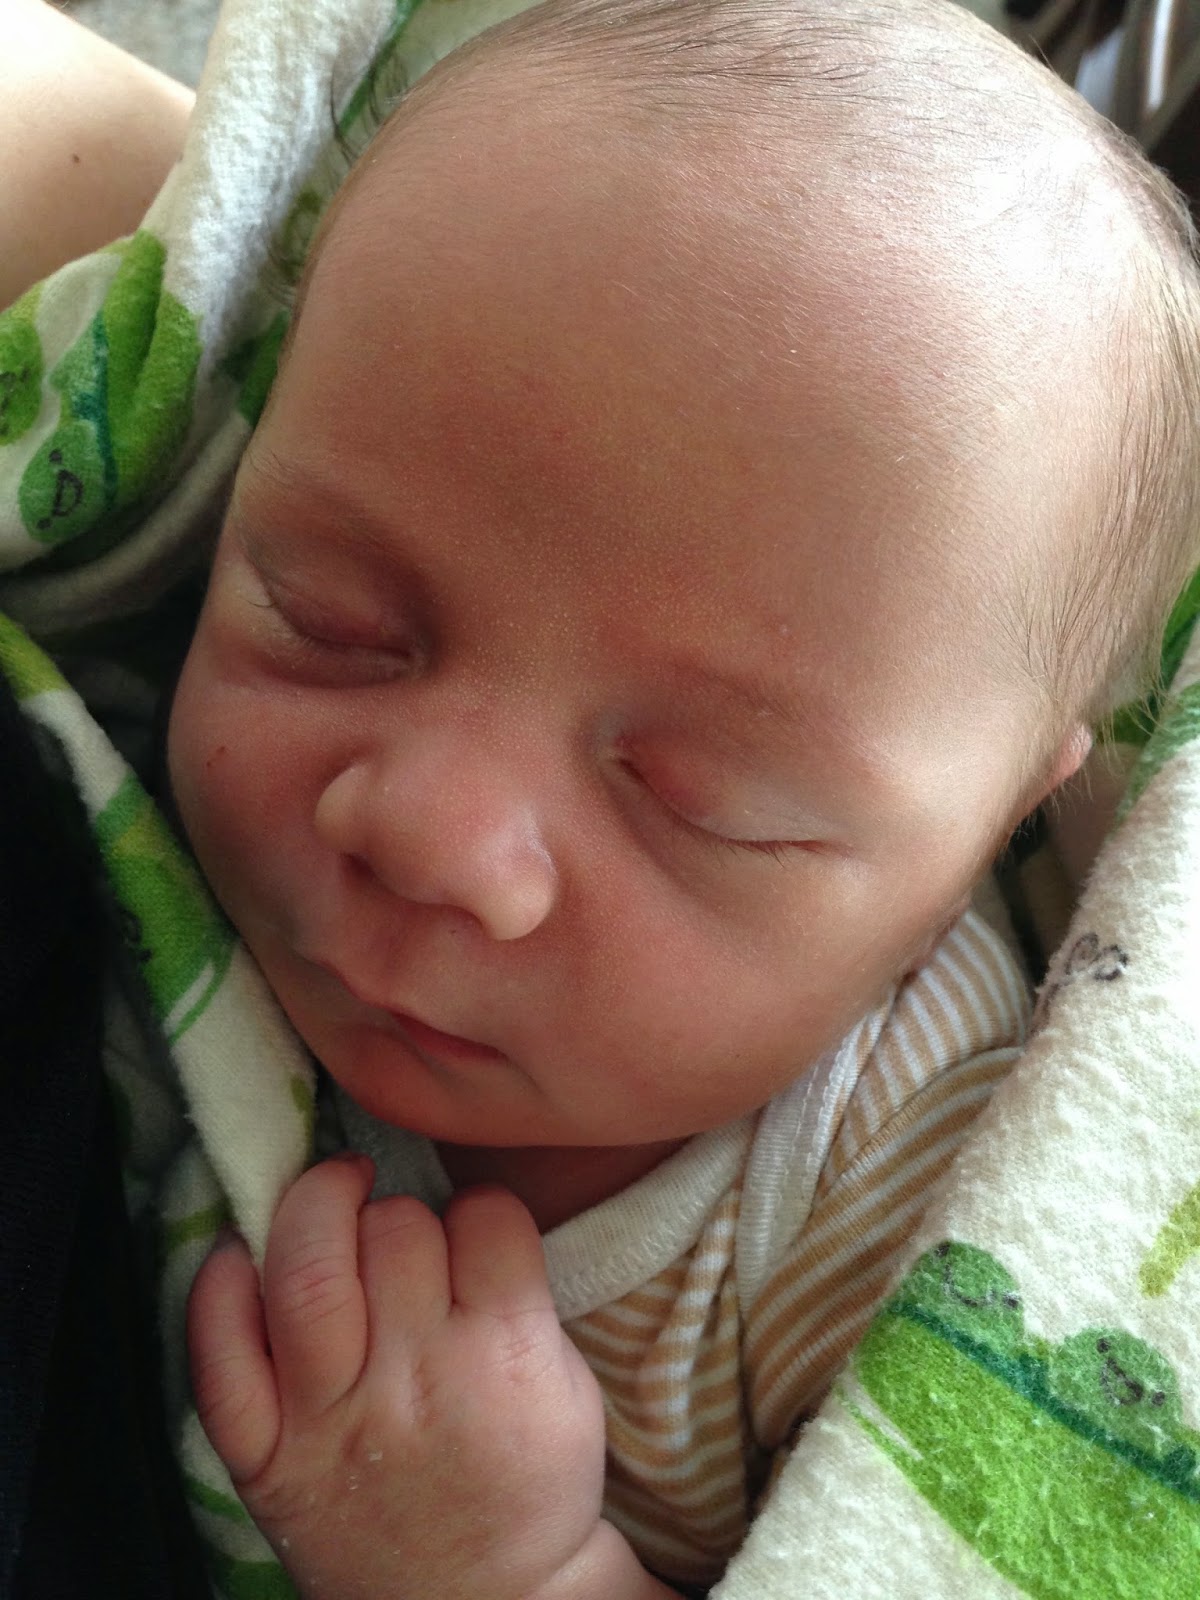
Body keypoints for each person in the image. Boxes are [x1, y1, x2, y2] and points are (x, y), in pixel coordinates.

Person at [8, 0, 1200, 1596]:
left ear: (997, 824)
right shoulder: (113, 768)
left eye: (703, 800)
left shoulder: (900, 1195)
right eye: (328, 620)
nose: (432, 833)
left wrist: (512, 1567)